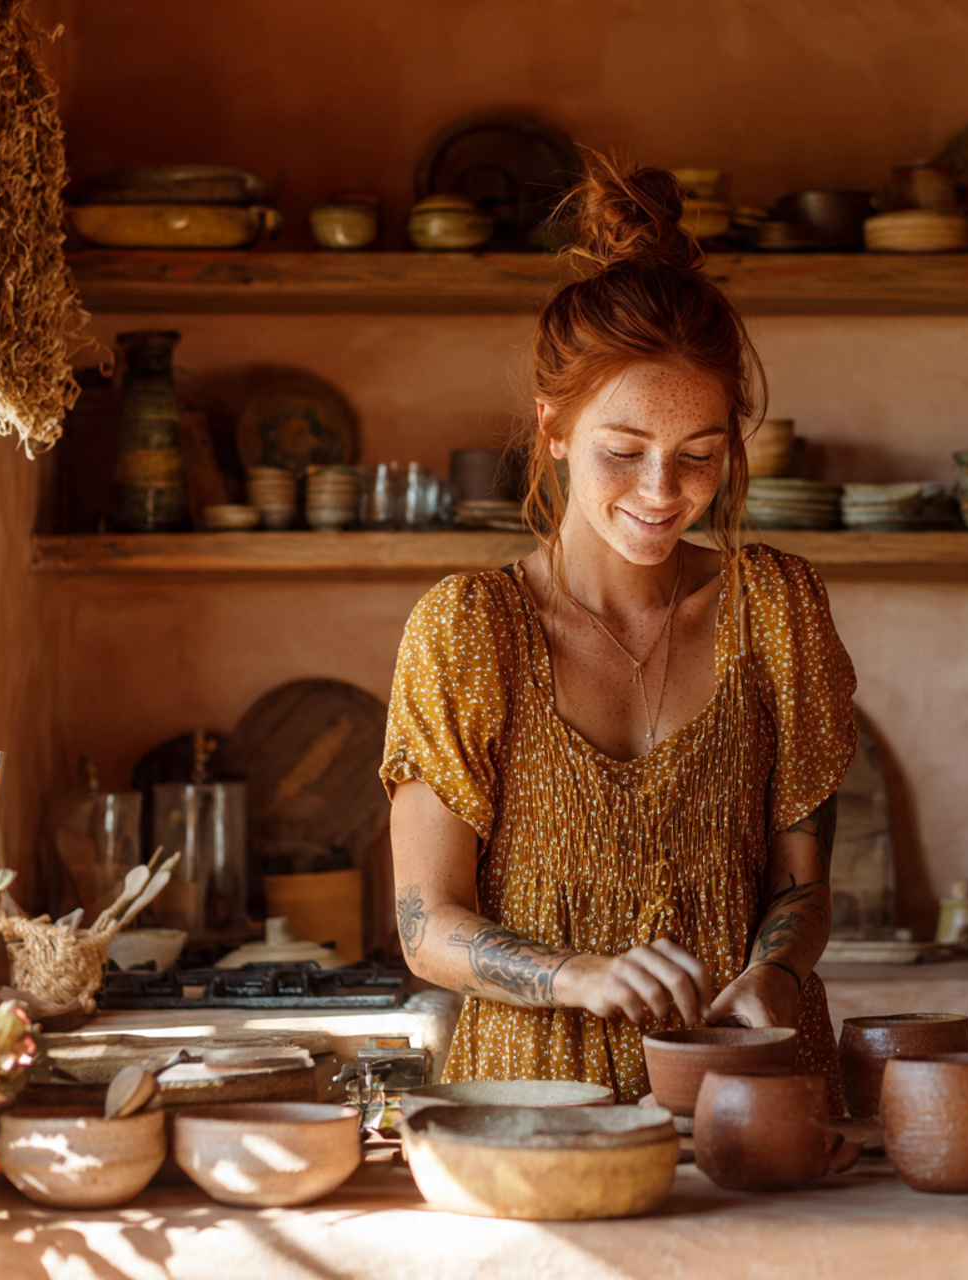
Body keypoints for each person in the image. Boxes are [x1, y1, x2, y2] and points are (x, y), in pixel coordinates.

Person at [381, 156, 857, 1107]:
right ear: (553, 429)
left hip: (752, 1089)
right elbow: (424, 923)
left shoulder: (778, 612)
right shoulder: (469, 632)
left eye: (698, 456)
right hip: (537, 1108)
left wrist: (778, 975)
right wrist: (577, 975)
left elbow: (801, 889)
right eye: (623, 451)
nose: (660, 493)